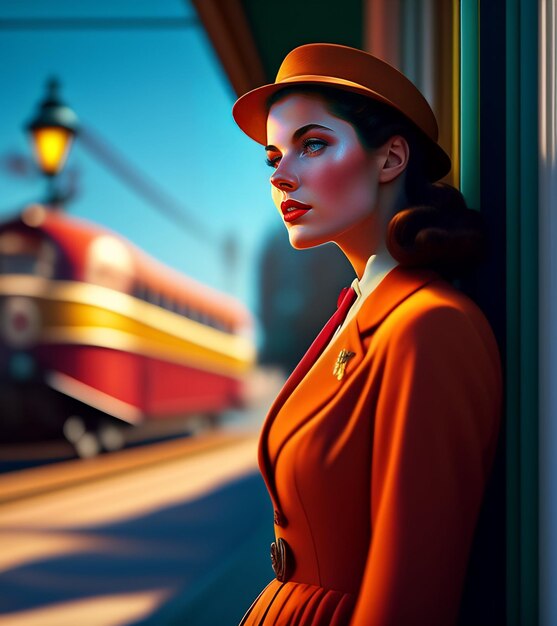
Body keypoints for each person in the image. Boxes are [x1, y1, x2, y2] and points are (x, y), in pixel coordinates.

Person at [232, 43, 502, 626]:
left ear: (390, 159)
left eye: (312, 145)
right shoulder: (358, 310)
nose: (280, 175)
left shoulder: (429, 327)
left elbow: (413, 591)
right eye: (274, 156)